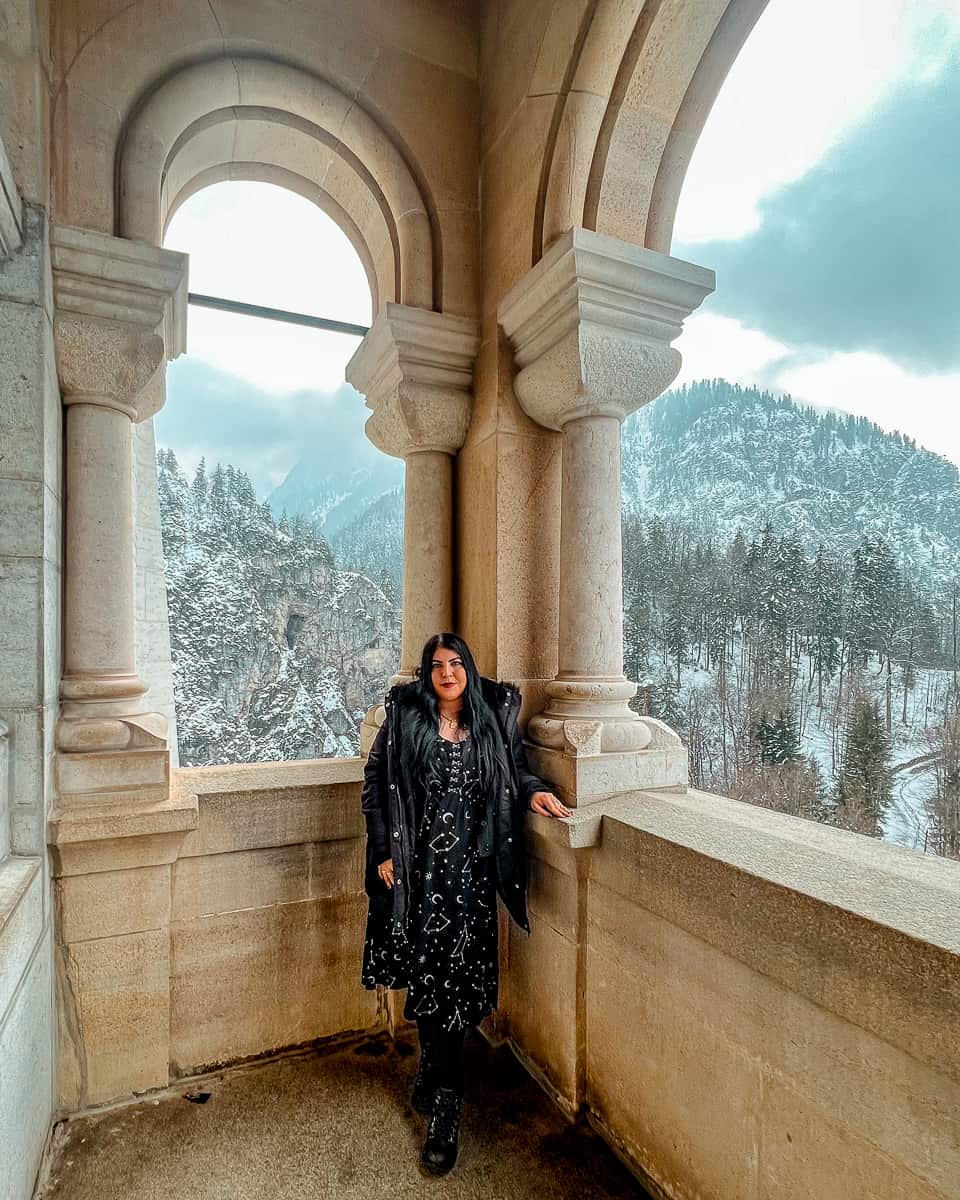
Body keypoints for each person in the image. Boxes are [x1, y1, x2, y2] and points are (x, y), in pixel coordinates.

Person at [360, 632, 570, 1175]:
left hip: (473, 878)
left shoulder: (492, 720)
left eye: (456, 664)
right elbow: (376, 782)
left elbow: (513, 774)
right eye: (437, 666)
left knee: (458, 983)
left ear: (469, 671)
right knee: (428, 976)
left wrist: (535, 793)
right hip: (422, 874)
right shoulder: (407, 720)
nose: (447, 673)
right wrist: (385, 849)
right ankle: (441, 1087)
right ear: (427, 675)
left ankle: (440, 1082)